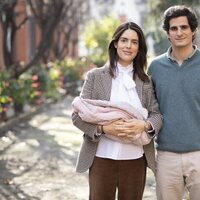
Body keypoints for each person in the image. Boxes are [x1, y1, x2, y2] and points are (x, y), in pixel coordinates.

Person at [72, 21, 162, 200]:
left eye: (134, 42)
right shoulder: (95, 76)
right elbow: (77, 116)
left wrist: (143, 125)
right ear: (115, 43)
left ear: (139, 48)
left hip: (135, 159)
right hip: (101, 158)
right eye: (124, 40)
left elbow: (157, 115)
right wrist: (104, 129)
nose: (129, 46)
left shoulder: (145, 82)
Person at [148, 5, 200, 200]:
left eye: (184, 27)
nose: (179, 32)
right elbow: (149, 108)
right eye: (174, 28)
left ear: (193, 30)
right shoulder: (155, 67)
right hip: (166, 154)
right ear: (167, 33)